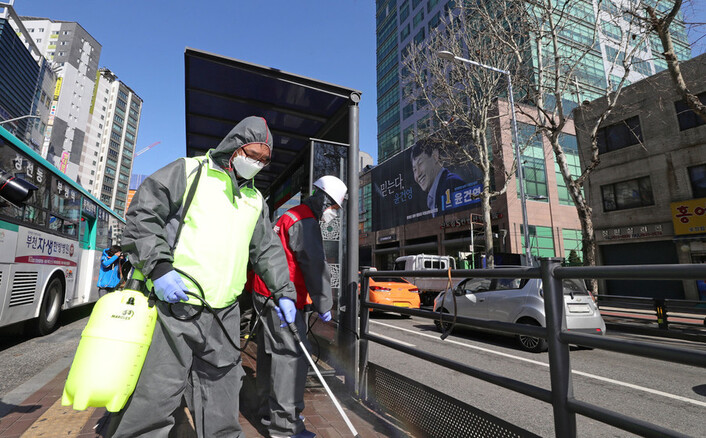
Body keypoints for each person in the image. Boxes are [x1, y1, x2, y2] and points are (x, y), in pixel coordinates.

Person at [108, 116, 297, 438]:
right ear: (234, 147)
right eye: (252, 155)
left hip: (224, 312)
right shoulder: (188, 172)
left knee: (222, 390)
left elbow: (267, 250)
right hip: (174, 304)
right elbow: (142, 216)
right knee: (157, 389)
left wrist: (284, 292)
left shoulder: (254, 200)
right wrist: (160, 269)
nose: (257, 164)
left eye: (264, 160)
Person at [250, 175, 348, 438]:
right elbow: (315, 266)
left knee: (270, 356)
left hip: (268, 294)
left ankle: (268, 411)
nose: (334, 214)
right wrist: (324, 302)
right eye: (335, 207)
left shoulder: (291, 215)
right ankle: (286, 426)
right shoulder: (305, 222)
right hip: (285, 300)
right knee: (290, 360)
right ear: (323, 199)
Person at [411, 139, 466, 217]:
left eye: (420, 163)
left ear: (435, 156)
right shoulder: (434, 195)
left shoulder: (452, 184)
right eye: (414, 170)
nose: (418, 174)